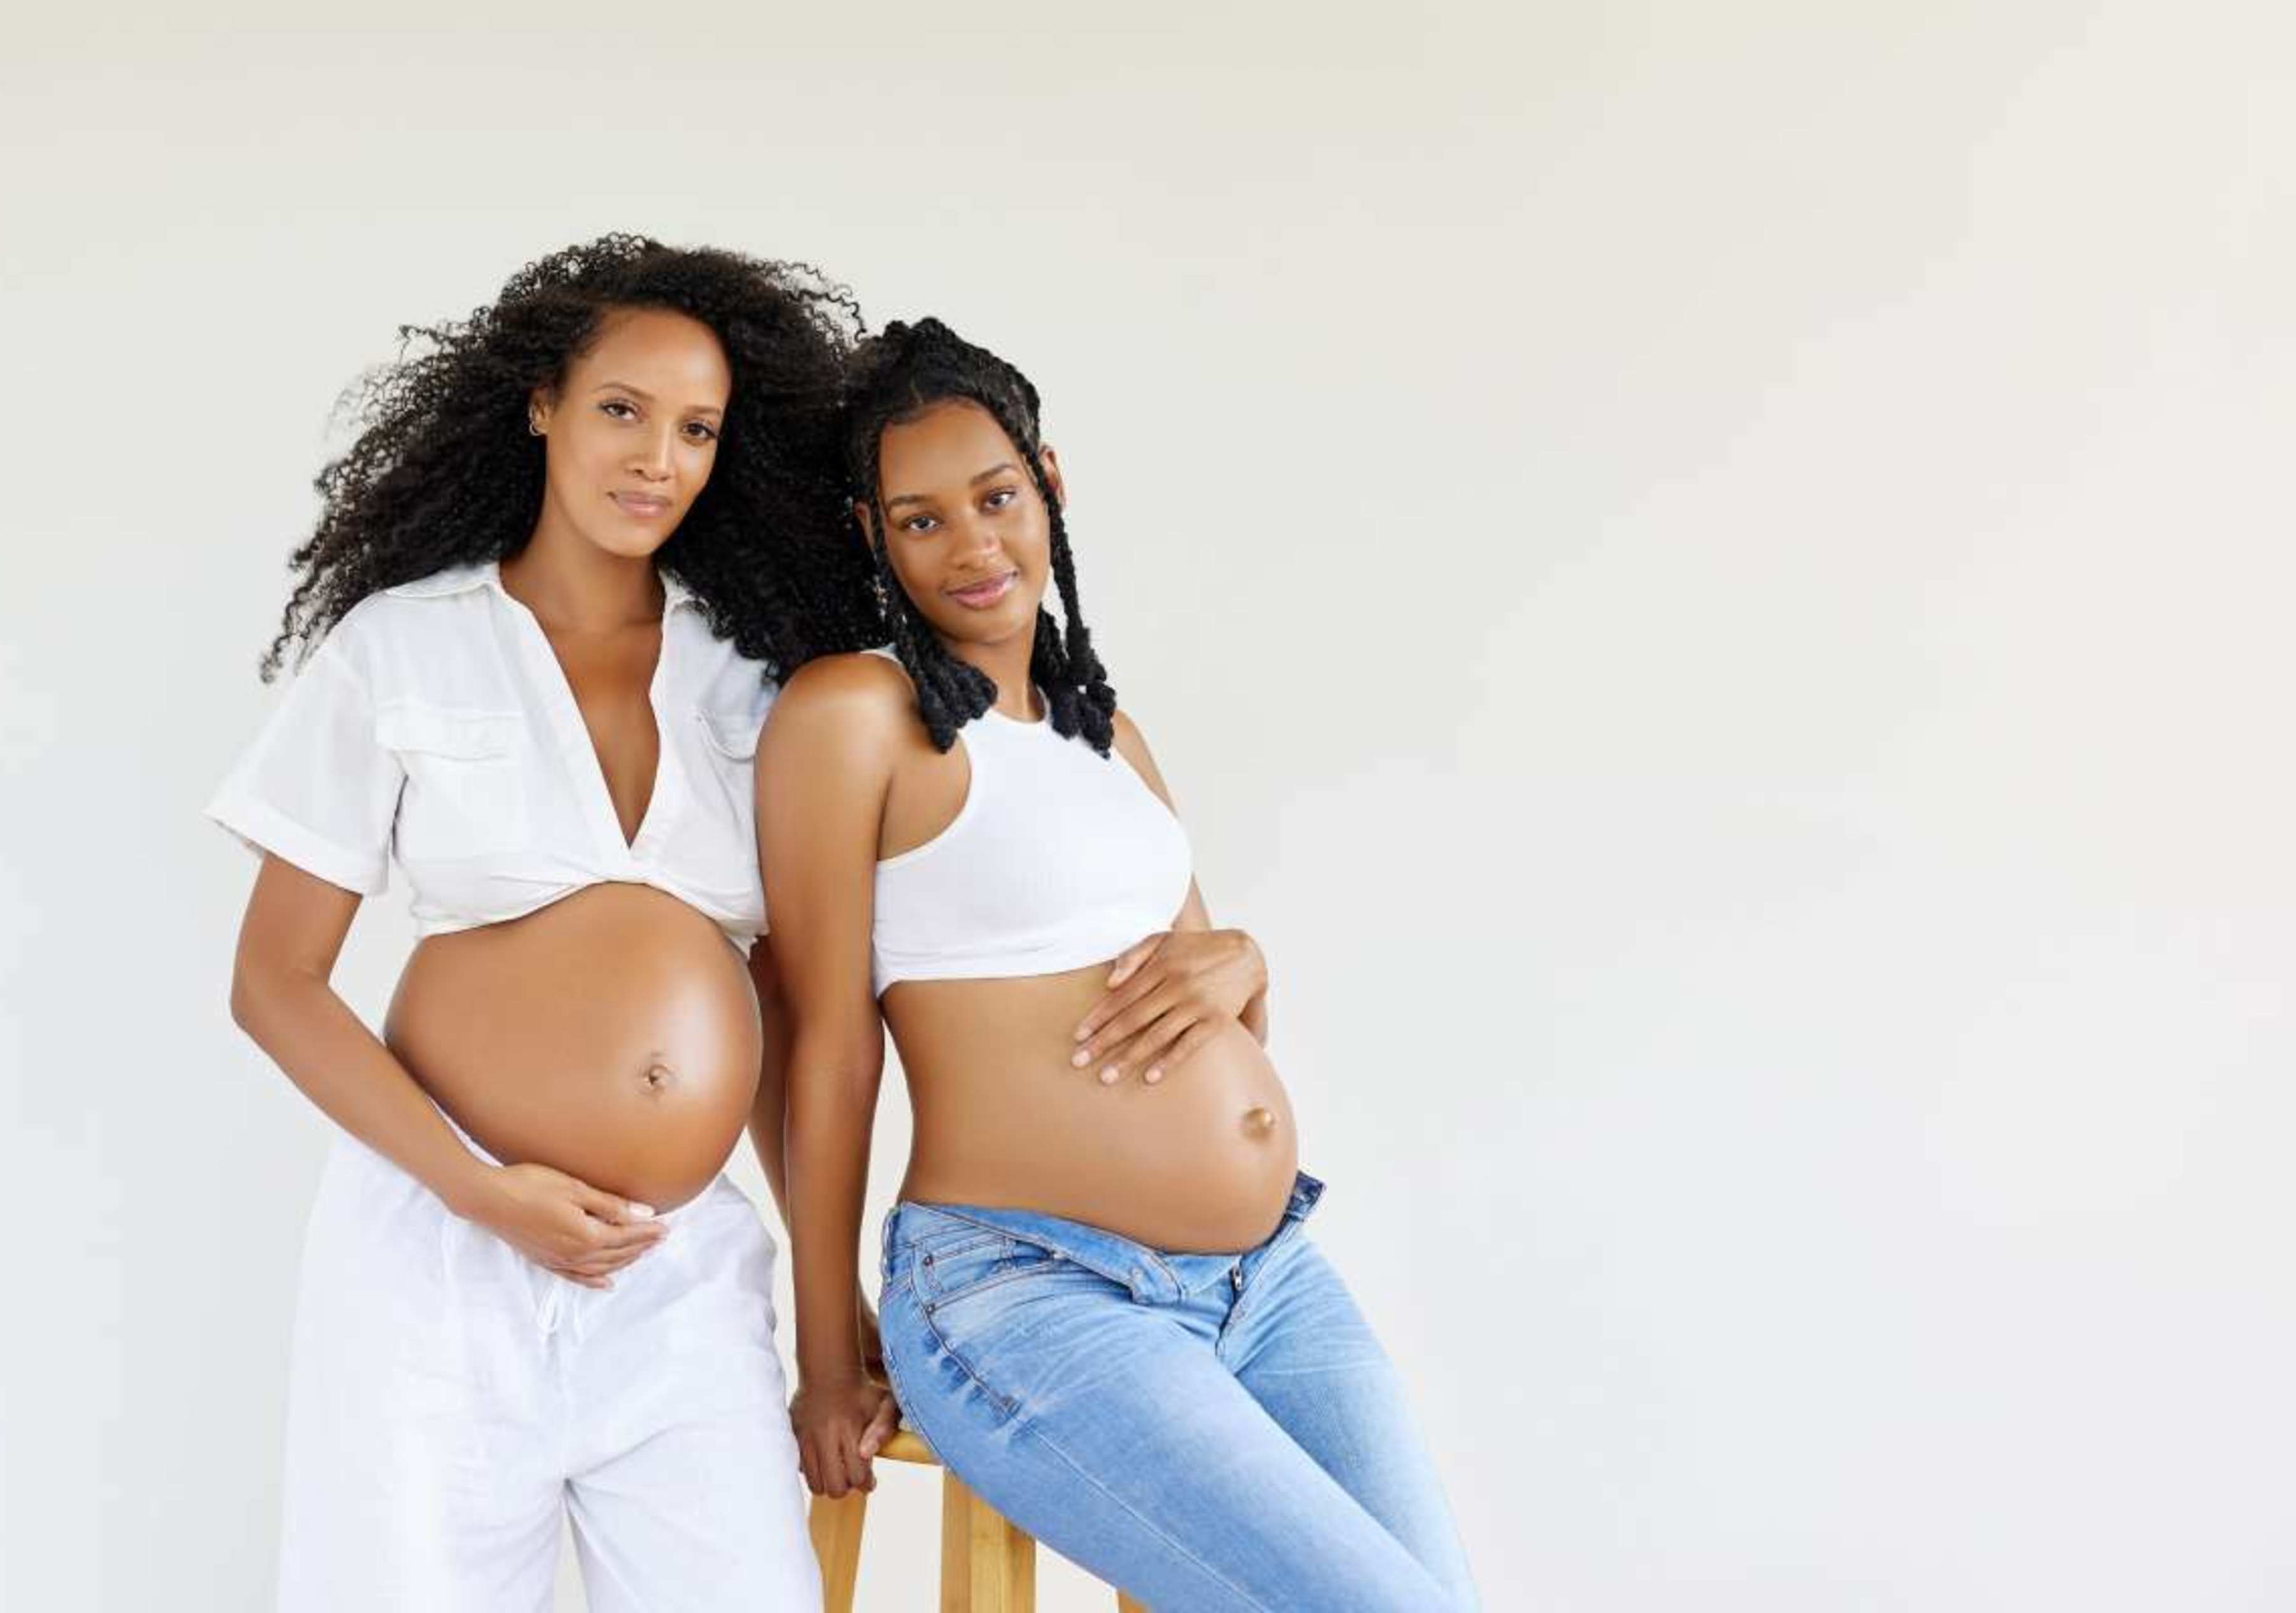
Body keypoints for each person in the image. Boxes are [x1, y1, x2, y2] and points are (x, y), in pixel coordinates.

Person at [756, 316, 1479, 1610]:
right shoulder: (851, 718)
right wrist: (825, 1351)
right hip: (1027, 1293)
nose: (973, 545)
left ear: (1050, 483)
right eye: (921, 520)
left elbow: (1210, 978)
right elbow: (818, 1040)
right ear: (872, 534)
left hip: (1272, 1280)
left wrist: (1245, 953)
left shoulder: (1110, 737)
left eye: (996, 497)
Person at [209, 234, 877, 1611]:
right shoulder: (402, 644)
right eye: (622, 409)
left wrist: (828, 1325)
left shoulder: (758, 682)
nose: (658, 458)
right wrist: (480, 1189)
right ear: (539, 407)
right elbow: (275, 983)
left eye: (697, 428)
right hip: (441, 1260)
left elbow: (791, 1015)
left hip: (681, 1270)